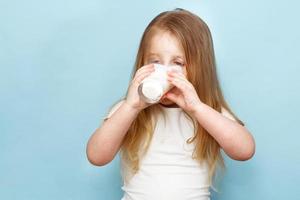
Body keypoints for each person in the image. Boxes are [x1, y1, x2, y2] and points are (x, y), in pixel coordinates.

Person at [86, 8, 256, 200]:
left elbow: (245, 150)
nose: (166, 72)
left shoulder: (209, 111)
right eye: (155, 61)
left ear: (200, 68)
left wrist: (197, 108)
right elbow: (96, 156)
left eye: (178, 62)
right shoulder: (129, 109)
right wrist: (130, 107)